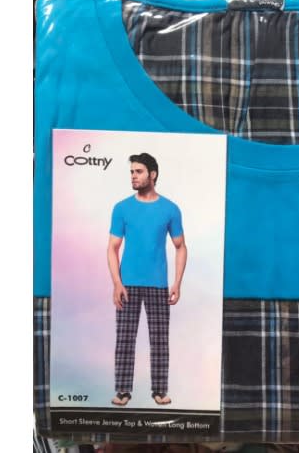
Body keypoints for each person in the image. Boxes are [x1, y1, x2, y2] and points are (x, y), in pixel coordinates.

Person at [107, 152, 187, 406]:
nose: (133, 176)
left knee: (159, 340)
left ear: (152, 174)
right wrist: (117, 283)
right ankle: (123, 390)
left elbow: (181, 246)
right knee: (125, 339)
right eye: (131, 172)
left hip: (158, 285)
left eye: (138, 171)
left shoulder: (170, 209)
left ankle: (159, 390)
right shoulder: (121, 208)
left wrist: (177, 283)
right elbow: (112, 248)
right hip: (127, 284)